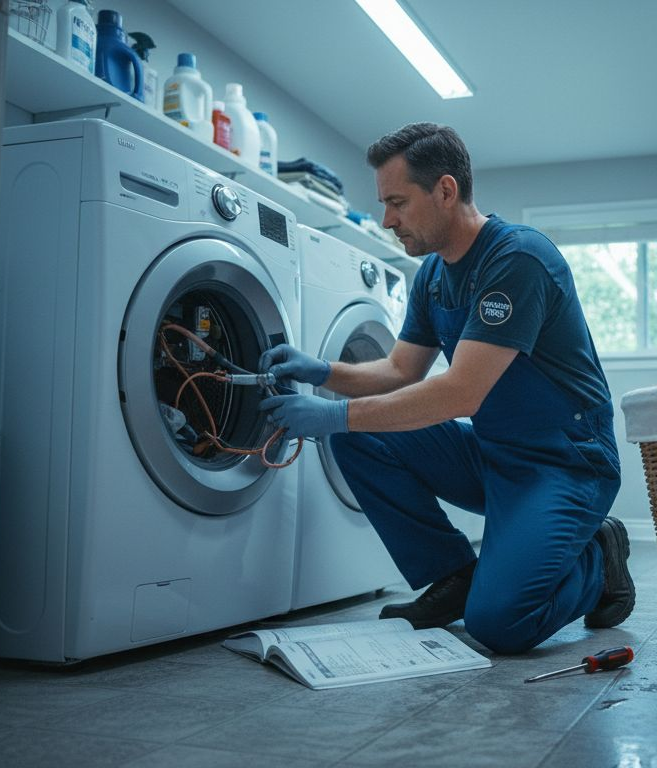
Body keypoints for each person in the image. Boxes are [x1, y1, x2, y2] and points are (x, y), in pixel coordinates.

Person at [256, 122, 632, 655]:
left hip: (565, 463)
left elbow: (460, 394)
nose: (387, 220)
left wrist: (334, 414)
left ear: (446, 191)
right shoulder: (432, 274)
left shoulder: (517, 260)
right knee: (357, 438)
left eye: (398, 202)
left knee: (501, 624)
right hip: (494, 455)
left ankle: (600, 557)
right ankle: (455, 575)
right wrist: (321, 372)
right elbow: (399, 370)